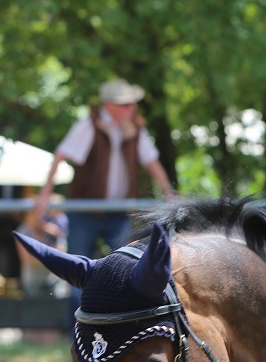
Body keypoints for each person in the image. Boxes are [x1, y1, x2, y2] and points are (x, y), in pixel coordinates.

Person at [35, 78, 176, 331]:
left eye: (132, 104)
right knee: (76, 275)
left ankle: (123, 329)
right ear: (110, 106)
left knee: (128, 270)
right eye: (126, 104)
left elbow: (152, 161)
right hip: (84, 213)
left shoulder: (134, 129)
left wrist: (168, 193)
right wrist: (46, 195)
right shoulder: (88, 127)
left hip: (116, 212)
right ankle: (76, 333)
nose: (132, 109)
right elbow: (61, 155)